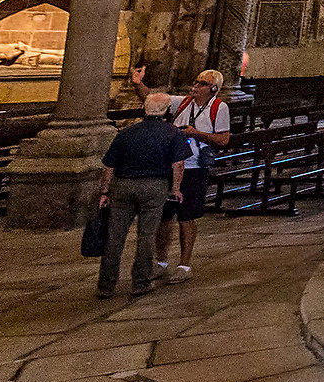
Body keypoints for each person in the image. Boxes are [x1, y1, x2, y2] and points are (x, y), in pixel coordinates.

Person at [132, 63, 231, 281]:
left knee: (187, 218)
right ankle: (161, 261)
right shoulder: (183, 103)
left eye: (202, 83)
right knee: (164, 217)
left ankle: (184, 266)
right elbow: (151, 98)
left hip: (195, 169)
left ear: (213, 89)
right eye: (195, 81)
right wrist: (138, 83)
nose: (195, 86)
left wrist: (196, 133)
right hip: (172, 166)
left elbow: (223, 139)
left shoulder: (219, 108)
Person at [96, 93, 185, 297]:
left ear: (144, 110)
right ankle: (141, 283)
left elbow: (108, 165)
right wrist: (176, 188)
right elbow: (178, 164)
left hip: (123, 186)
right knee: (146, 236)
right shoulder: (172, 133)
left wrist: (104, 191)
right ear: (168, 111)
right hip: (154, 187)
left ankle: (106, 285)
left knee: (115, 237)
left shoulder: (126, 133)